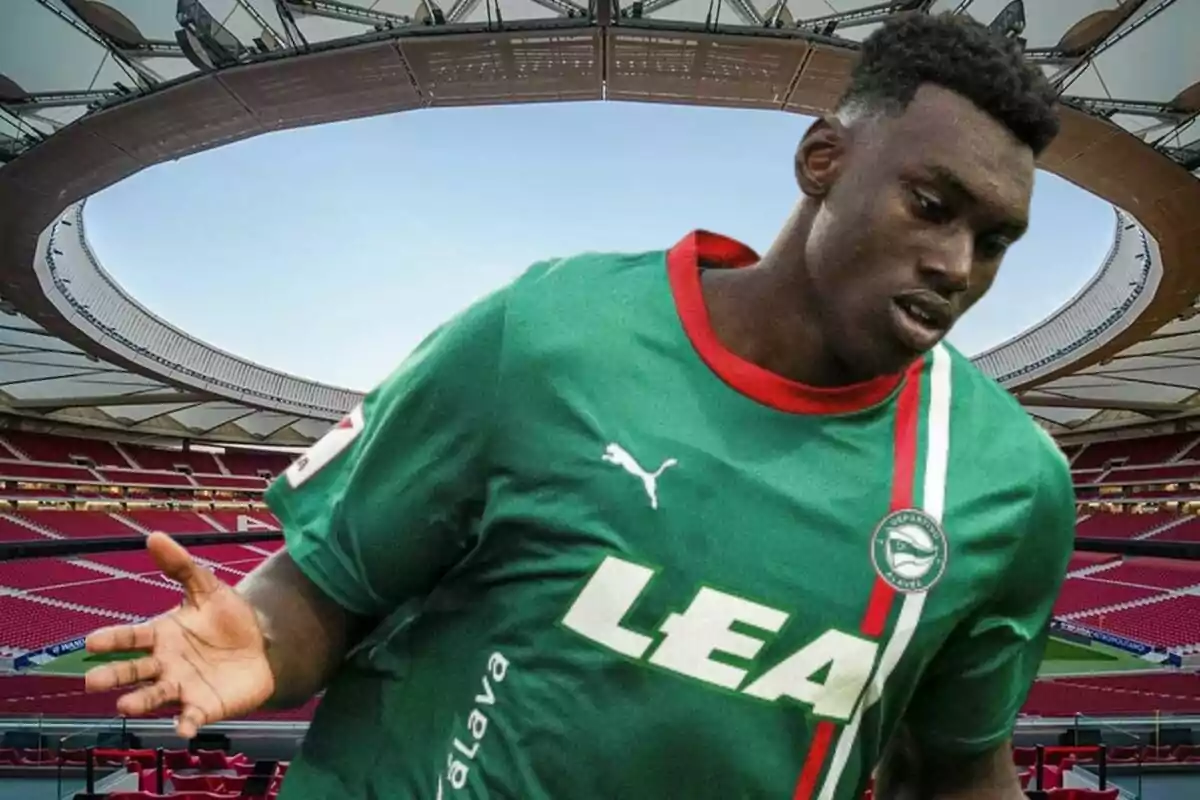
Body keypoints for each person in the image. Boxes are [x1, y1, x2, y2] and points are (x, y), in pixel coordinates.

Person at [85, 12, 1074, 800]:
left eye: (996, 241)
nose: (955, 265)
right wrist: (255, 637)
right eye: (932, 206)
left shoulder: (1006, 485)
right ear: (824, 161)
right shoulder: (550, 334)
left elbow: (955, 772)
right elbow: (328, 584)